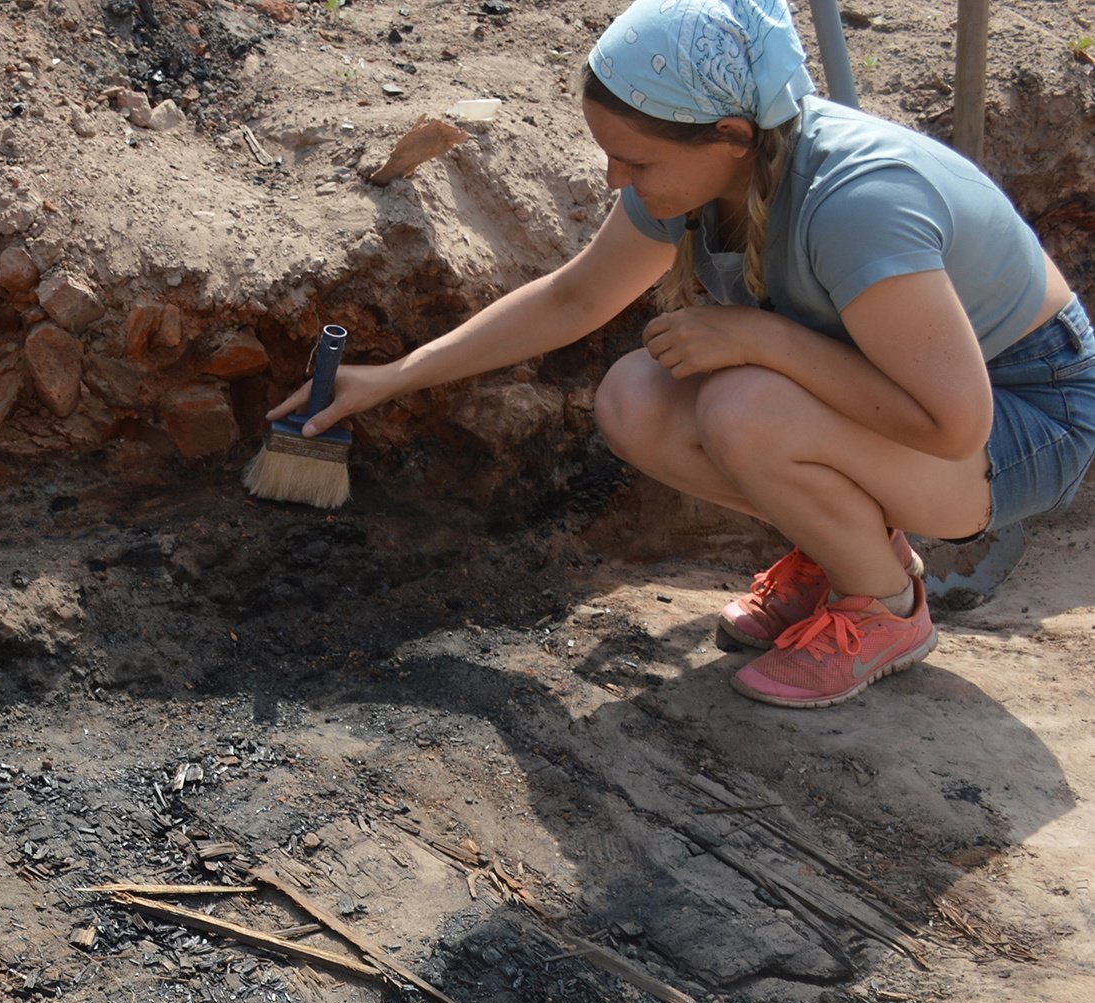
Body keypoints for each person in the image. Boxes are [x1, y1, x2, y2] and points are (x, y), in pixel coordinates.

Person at [274, 0, 1095, 708]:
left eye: (634, 160)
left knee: (745, 405)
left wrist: (762, 338)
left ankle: (885, 610)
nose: (611, 180)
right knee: (636, 395)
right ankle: (844, 548)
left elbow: (953, 424)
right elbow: (573, 298)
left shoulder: (856, 203)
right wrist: (393, 377)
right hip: (917, 411)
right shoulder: (703, 176)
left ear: (732, 136)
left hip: (1029, 419)